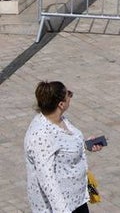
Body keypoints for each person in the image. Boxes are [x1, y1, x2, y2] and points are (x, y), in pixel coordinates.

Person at [25, 81, 104, 213]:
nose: (70, 97)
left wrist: (84, 145)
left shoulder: (60, 120)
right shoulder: (41, 136)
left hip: (76, 200)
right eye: (69, 94)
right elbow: (47, 180)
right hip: (59, 207)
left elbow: (62, 147)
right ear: (61, 104)